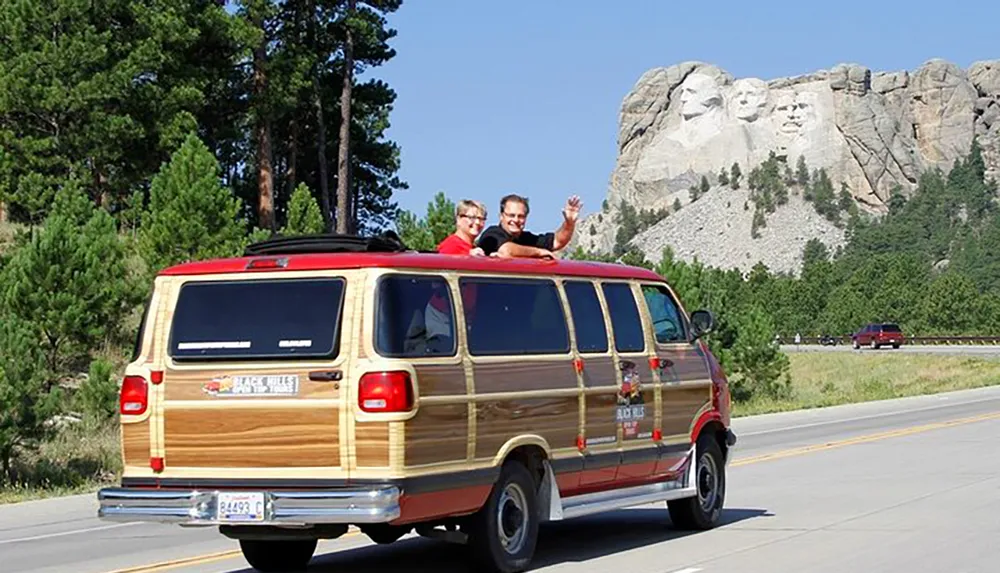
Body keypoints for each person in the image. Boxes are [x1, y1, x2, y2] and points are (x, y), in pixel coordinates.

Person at [476, 194, 582, 258]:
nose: (516, 220)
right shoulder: (492, 234)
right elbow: (507, 250)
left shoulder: (527, 239)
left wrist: (569, 223)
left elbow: (557, 242)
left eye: (521, 216)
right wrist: (539, 252)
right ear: (501, 216)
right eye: (511, 215)